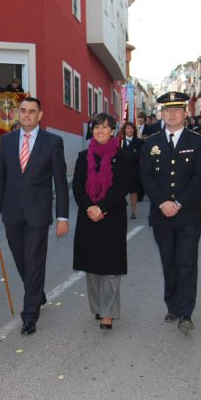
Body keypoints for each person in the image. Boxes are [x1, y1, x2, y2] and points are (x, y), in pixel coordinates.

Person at [0, 97, 69, 335]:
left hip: (38, 212)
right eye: (22, 111)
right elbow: (0, 177)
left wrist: (62, 217)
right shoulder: (8, 140)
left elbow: (60, 182)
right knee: (21, 259)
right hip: (13, 212)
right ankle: (38, 293)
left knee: (34, 260)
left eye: (31, 112)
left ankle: (30, 315)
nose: (26, 115)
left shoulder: (53, 142)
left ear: (39, 115)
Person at [140, 92, 201, 335]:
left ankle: (186, 313)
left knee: (187, 262)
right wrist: (162, 203)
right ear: (162, 113)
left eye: (177, 109)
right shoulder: (151, 142)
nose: (172, 114)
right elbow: (146, 176)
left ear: (185, 112)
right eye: (167, 110)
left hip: (188, 214)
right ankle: (172, 304)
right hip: (161, 214)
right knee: (168, 261)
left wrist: (178, 202)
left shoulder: (197, 141)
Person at [72, 114, 131, 330]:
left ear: (113, 130)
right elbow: (77, 187)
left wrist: (102, 207)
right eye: (96, 127)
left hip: (112, 216)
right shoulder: (82, 156)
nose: (100, 130)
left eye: (105, 127)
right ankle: (98, 306)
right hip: (88, 216)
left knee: (111, 266)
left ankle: (109, 313)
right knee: (92, 265)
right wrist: (90, 207)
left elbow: (122, 186)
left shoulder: (123, 157)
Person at [119, 121, 143, 219]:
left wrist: (128, 158)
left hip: (134, 171)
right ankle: (120, 211)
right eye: (128, 128)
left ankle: (133, 211)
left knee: (133, 192)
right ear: (124, 130)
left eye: (132, 128)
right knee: (120, 192)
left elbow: (138, 155)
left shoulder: (139, 141)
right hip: (122, 171)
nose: (130, 130)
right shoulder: (120, 141)